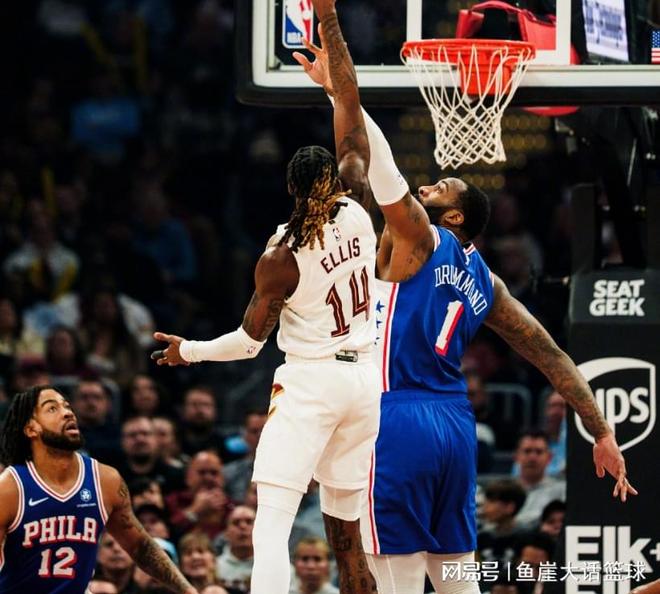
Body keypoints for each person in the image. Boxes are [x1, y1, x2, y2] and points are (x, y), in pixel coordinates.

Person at [295, 2, 636, 592]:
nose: (427, 184)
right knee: (457, 578)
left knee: (396, 581)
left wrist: (330, 34)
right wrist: (602, 431)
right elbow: (552, 356)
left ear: (452, 216)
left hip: (395, 418)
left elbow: (367, 146)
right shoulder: (485, 280)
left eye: (440, 188)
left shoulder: (418, 238)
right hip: (454, 426)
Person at [151, 41, 380, 593]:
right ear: (334, 182)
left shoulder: (281, 256)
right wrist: (335, 89)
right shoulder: (359, 206)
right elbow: (353, 138)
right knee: (348, 536)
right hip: (364, 383)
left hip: (313, 383)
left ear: (290, 189)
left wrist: (190, 350)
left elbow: (250, 343)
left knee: (271, 525)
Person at [0, 385, 197, 594]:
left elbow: (140, 547)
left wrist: (188, 591)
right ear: (31, 428)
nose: (67, 413)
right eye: (52, 408)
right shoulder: (10, 488)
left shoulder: (105, 480)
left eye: (67, 406)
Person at [513, 429, 566, 530]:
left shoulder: (562, 491)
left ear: (549, 457)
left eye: (539, 452)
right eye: (527, 451)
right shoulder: (505, 491)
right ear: (516, 457)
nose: (532, 457)